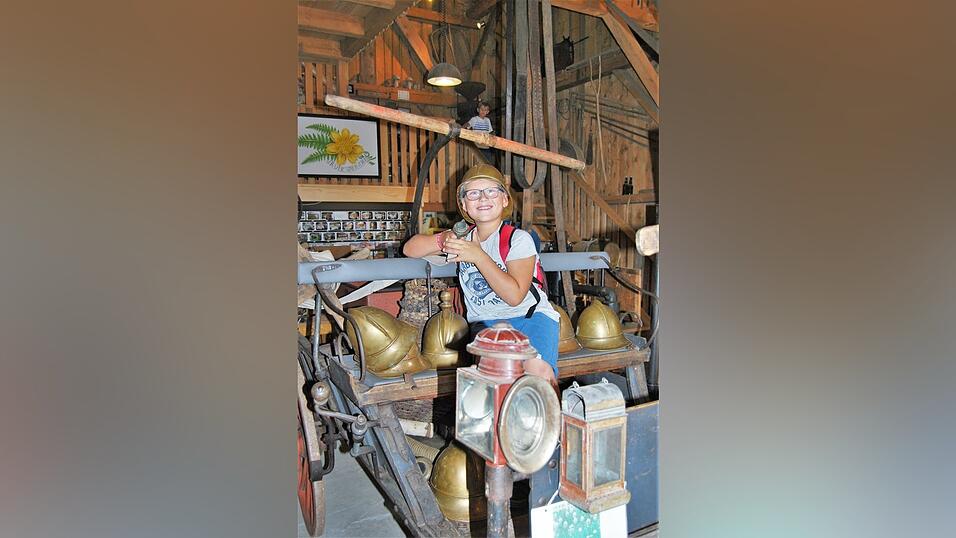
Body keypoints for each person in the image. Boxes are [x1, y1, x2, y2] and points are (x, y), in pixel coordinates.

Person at [403, 164, 560, 386]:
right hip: (485, 323)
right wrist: (444, 240)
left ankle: (550, 419)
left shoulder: (518, 239)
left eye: (491, 191)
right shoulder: (462, 240)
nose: (483, 198)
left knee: (538, 374)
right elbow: (410, 249)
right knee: (495, 381)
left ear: (504, 200)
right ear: (464, 205)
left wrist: (478, 256)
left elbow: (514, 296)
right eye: (473, 193)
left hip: (529, 318)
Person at [463, 101, 496, 165]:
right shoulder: (474, 119)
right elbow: (467, 124)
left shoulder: (487, 120)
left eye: (485, 110)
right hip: (477, 146)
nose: (483, 111)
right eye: (482, 109)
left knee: (487, 163)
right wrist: (462, 128)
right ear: (478, 110)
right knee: (477, 163)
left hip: (486, 146)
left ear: (488, 112)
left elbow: (490, 131)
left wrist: (493, 138)